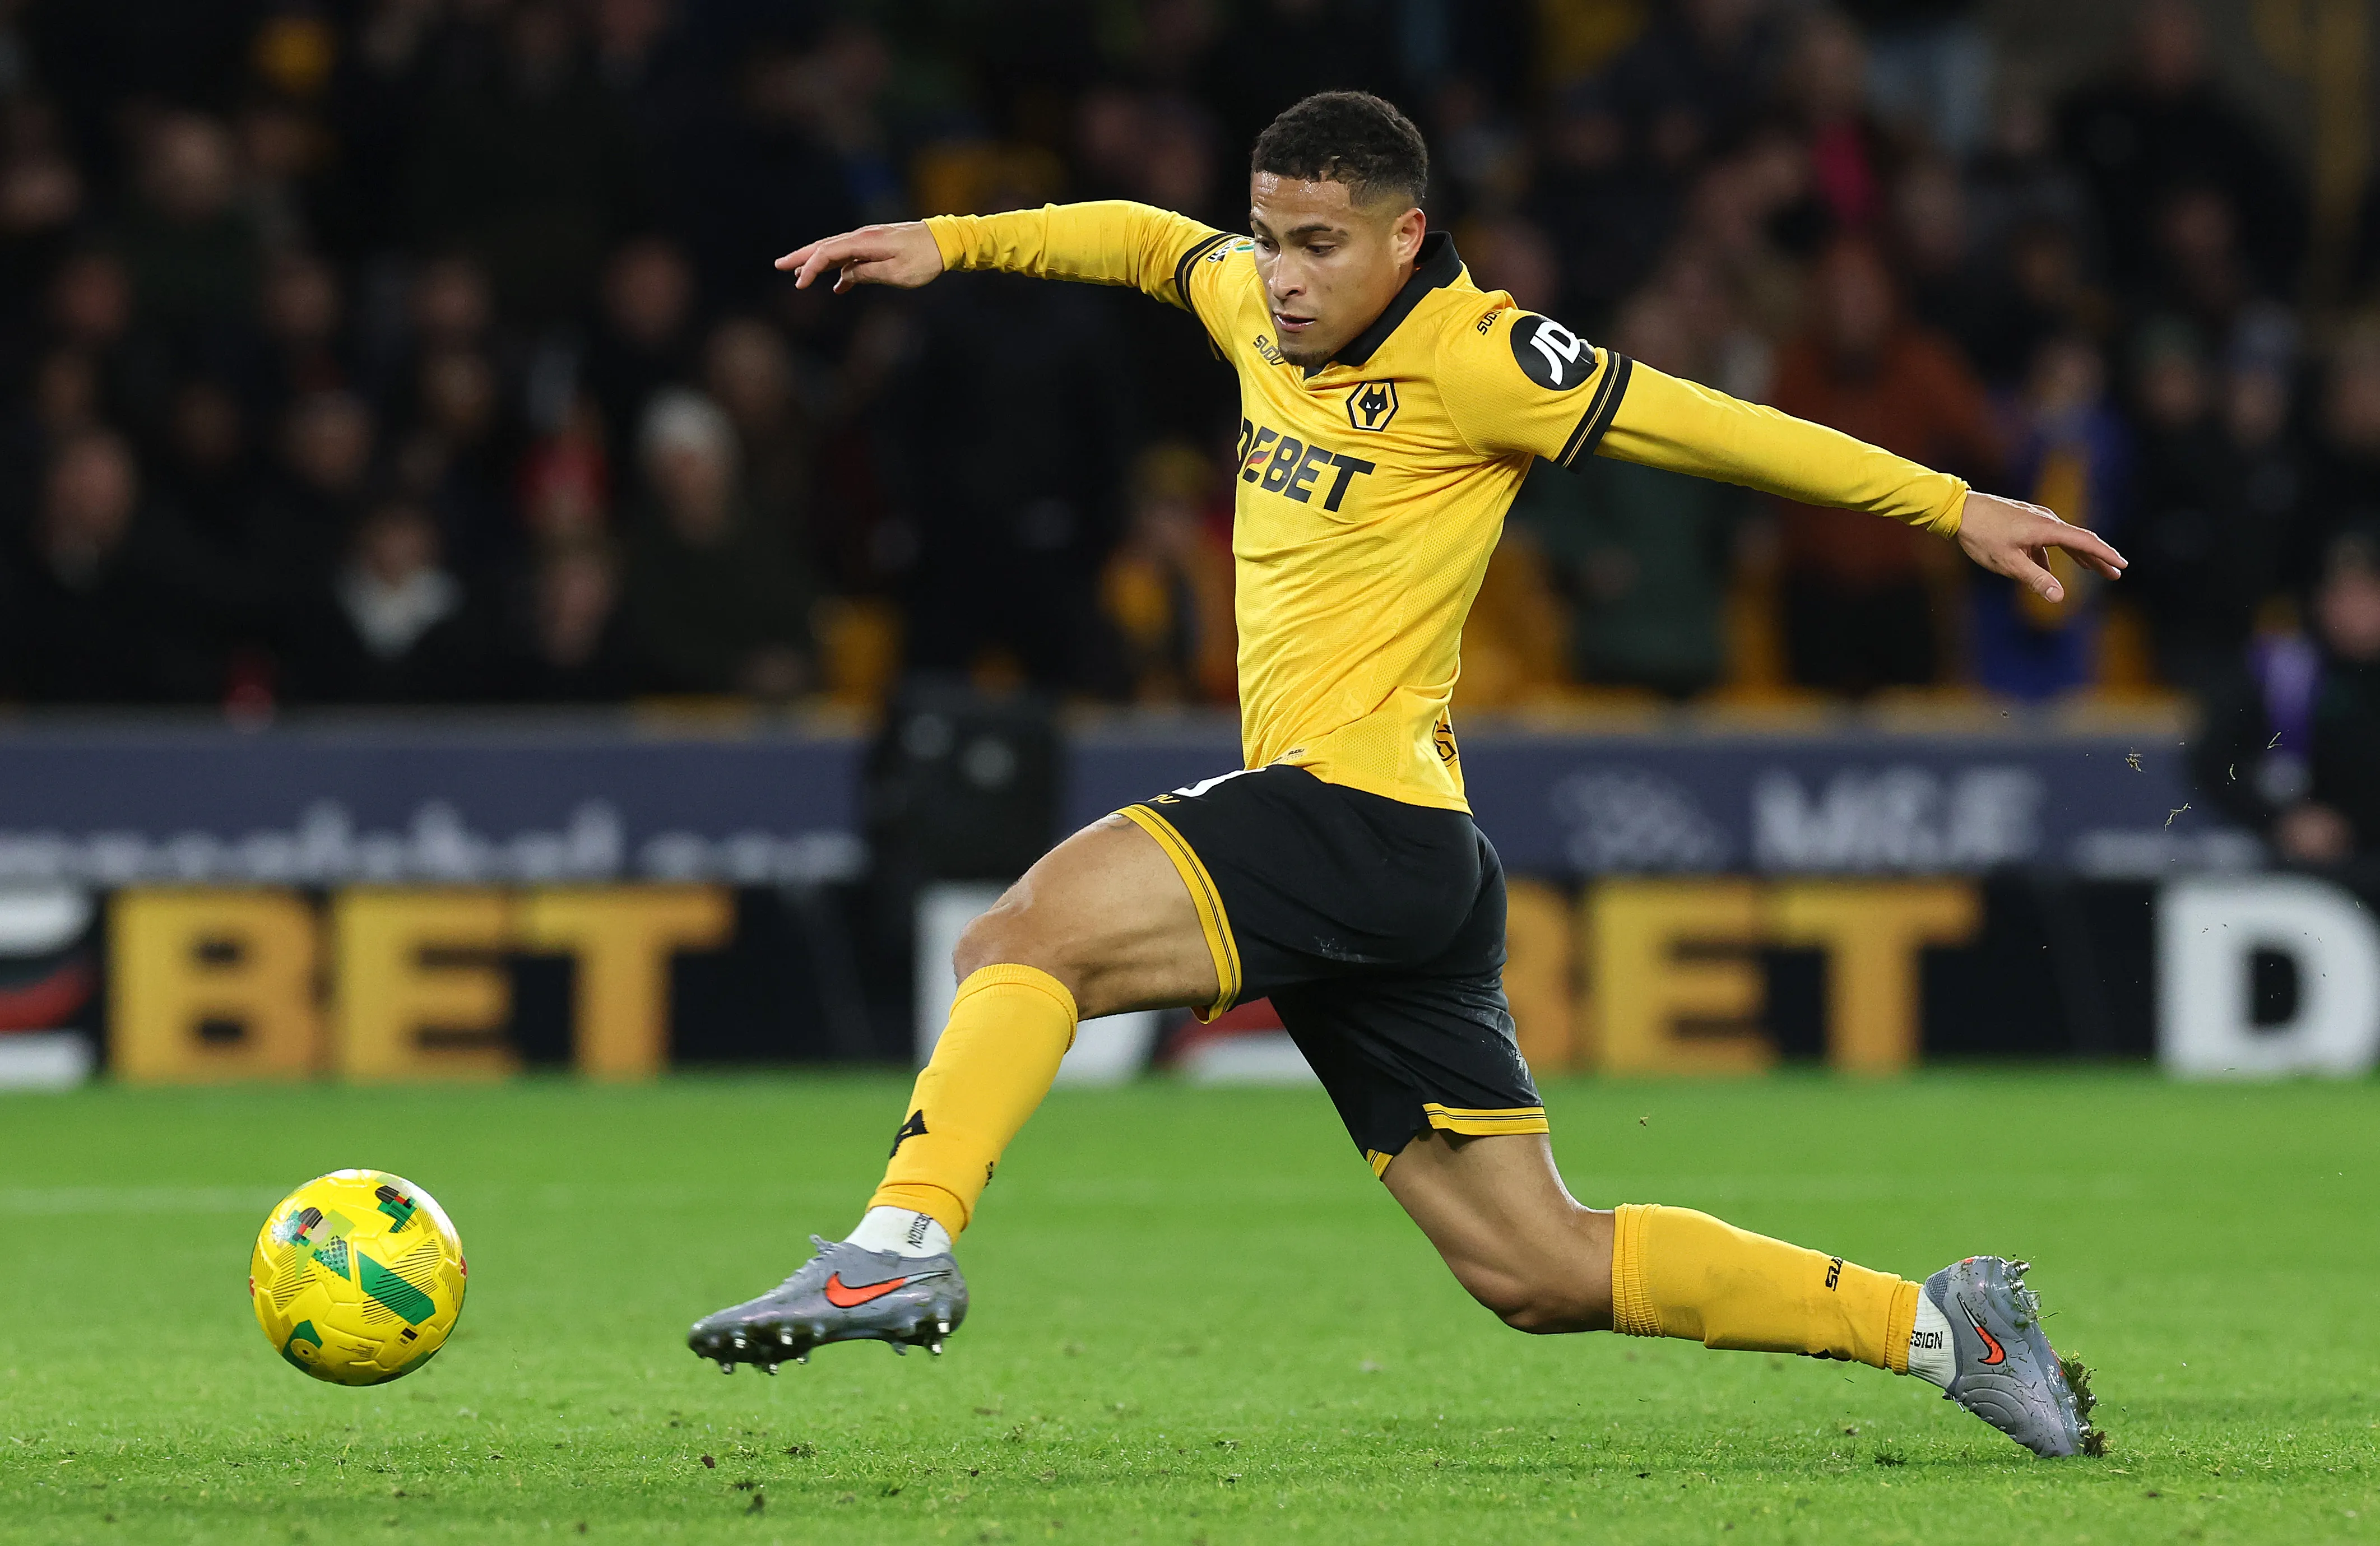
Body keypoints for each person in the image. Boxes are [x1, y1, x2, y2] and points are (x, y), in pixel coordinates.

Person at [690, 92, 2123, 1461]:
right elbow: (1139, 237)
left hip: (1359, 815)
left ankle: (895, 1251)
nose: (1285, 274)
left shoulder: (1478, 353)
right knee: (1535, 1263)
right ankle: (1945, 1330)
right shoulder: (1249, 299)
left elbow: (1701, 422)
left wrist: (1951, 507)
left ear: (1404, 235)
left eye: (1321, 244)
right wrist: (958, 242)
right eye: (1269, 235)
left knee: (1021, 938)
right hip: (1404, 865)